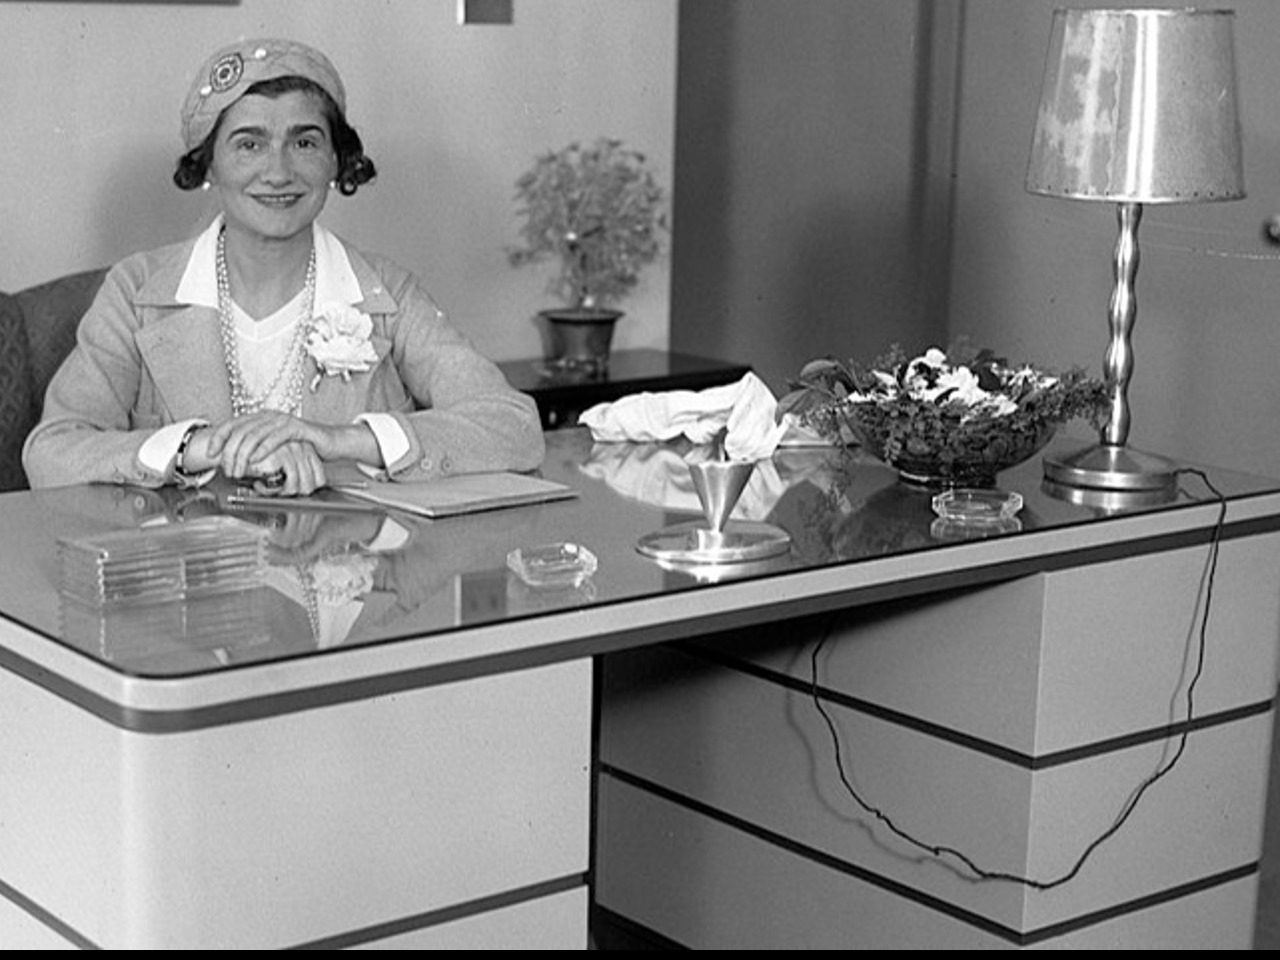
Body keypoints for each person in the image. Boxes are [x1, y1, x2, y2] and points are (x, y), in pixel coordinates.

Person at [23, 38, 544, 496]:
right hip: (194, 592)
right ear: (208, 165)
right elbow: (52, 451)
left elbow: (514, 427)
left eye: (304, 142)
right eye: (249, 144)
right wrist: (199, 448)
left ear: (337, 162)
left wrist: (339, 441)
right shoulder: (136, 292)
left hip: (353, 585)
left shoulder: (389, 292)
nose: (278, 171)